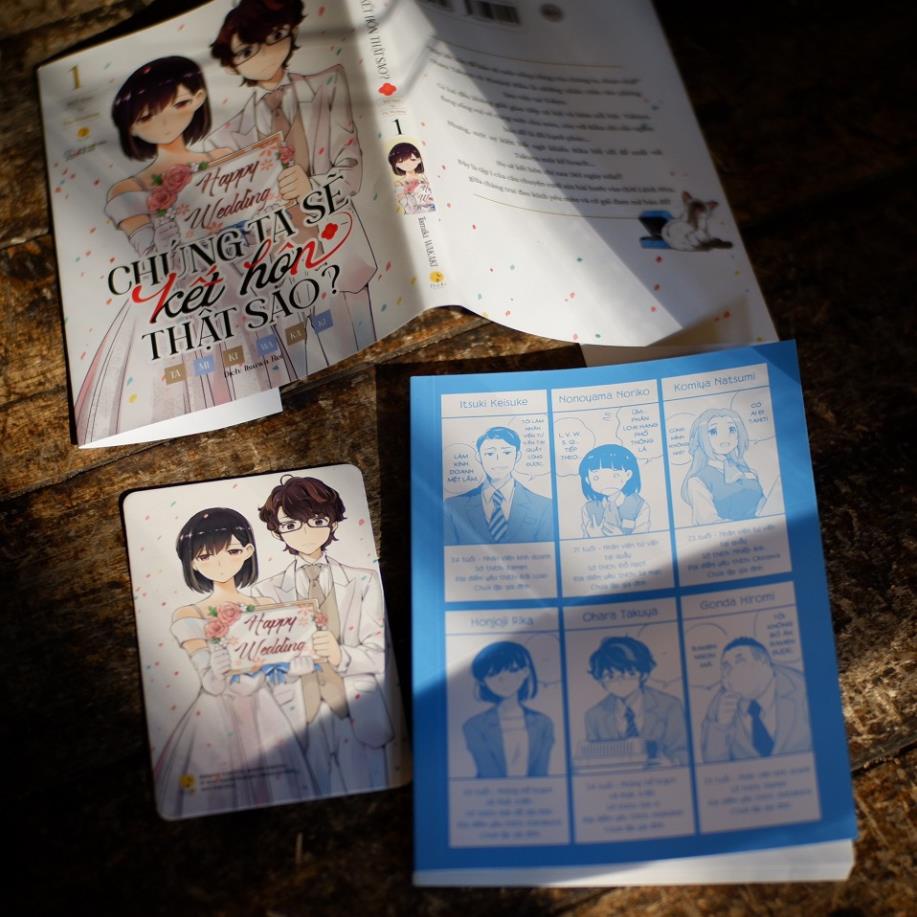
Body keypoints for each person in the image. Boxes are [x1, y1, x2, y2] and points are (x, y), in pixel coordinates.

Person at [75, 56, 241, 444]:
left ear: (198, 99)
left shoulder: (223, 160)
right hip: (173, 301)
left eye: (178, 104)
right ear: (131, 127)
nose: (164, 122)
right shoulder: (127, 189)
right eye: (147, 116)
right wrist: (174, 220)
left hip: (234, 282)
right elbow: (153, 257)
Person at [208, 0, 378, 364]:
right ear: (232, 63)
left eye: (274, 36)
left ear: (293, 31)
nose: (264, 54)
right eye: (247, 51)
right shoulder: (229, 134)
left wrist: (312, 188)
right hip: (280, 270)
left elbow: (351, 169)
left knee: (366, 348)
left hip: (338, 246)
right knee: (305, 364)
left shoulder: (328, 84)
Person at [154, 507, 316, 818]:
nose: (219, 563)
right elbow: (212, 683)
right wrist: (220, 660)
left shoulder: (264, 605)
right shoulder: (190, 615)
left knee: (279, 785)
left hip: (265, 709)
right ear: (192, 563)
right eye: (205, 556)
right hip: (217, 713)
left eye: (231, 551)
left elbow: (284, 665)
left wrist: (299, 658)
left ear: (248, 551)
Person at [252, 475, 395, 795]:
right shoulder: (266, 591)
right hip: (297, 716)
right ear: (276, 531)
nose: (304, 533)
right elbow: (263, 663)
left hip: (358, 713)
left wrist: (340, 654)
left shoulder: (364, 581)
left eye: (316, 521)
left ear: (333, 523)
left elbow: (380, 654)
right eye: (291, 525)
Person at [701, 637, 811, 763]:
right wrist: (722, 726)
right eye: (726, 666)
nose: (730, 671)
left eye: (739, 661)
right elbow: (712, 762)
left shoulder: (803, 689)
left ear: (763, 662)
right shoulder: (720, 704)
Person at [584, 636, 687, 765]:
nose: (620, 681)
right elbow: (593, 761)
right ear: (600, 681)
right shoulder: (594, 716)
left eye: (629, 674)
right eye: (610, 676)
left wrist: (669, 763)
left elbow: (683, 753)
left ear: (644, 674)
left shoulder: (670, 706)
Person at [444, 426, 553, 545]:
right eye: (490, 453)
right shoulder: (453, 506)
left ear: (517, 456)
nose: (498, 460)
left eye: (506, 452)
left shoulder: (543, 507)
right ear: (479, 457)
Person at [462, 642, 554, 778]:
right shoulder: (474, 726)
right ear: (482, 681)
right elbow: (488, 774)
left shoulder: (543, 723)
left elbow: (541, 774)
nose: (503, 679)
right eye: (493, 674)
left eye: (512, 670)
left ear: (525, 672)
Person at [680, 408, 765, 525]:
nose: (725, 437)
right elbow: (708, 522)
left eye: (731, 429)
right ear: (702, 438)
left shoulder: (750, 473)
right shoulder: (698, 481)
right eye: (713, 431)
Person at [578, 444, 650, 537]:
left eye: (615, 475)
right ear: (588, 480)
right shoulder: (588, 509)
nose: (607, 482)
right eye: (596, 478)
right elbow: (584, 538)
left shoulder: (640, 505)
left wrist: (620, 537)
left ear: (628, 475)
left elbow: (643, 536)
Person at [388, 142, 435, 214]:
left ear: (419, 160)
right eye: (401, 161)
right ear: (396, 164)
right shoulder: (399, 184)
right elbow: (405, 205)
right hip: (414, 213)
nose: (408, 164)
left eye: (412, 159)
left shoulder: (424, 177)